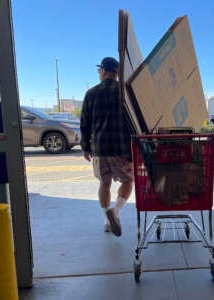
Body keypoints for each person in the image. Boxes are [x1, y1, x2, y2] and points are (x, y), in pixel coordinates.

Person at [80, 57, 133, 237]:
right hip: (122, 149)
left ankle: (106, 221)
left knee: (105, 183)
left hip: (100, 149)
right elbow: (133, 122)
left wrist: (86, 147)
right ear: (117, 72)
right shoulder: (124, 92)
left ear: (103, 71)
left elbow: (85, 123)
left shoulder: (91, 93)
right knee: (128, 181)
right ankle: (115, 211)